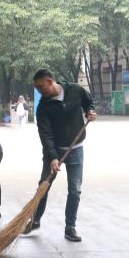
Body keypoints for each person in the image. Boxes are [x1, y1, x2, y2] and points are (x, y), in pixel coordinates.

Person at [25, 68, 96, 242]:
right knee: (44, 186)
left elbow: (88, 101)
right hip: (54, 150)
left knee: (75, 190)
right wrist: (53, 157)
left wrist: (90, 111)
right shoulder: (43, 107)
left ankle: (70, 227)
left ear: (50, 81)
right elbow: (46, 135)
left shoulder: (74, 90)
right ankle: (35, 220)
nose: (39, 91)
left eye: (40, 87)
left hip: (75, 148)